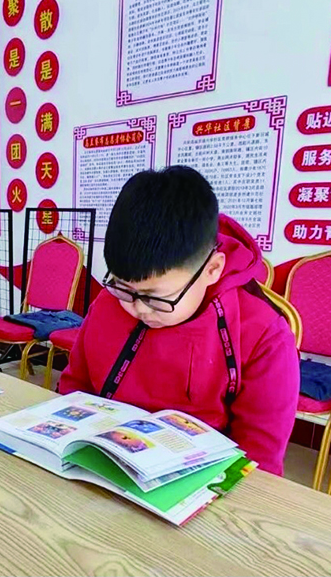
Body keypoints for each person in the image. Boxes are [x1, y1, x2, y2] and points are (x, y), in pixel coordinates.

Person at [58, 167, 299, 475]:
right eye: (123, 287)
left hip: (198, 481)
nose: (138, 309)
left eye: (155, 297)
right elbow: (75, 388)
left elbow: (259, 460)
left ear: (212, 269)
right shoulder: (108, 303)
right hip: (99, 465)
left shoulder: (262, 334)